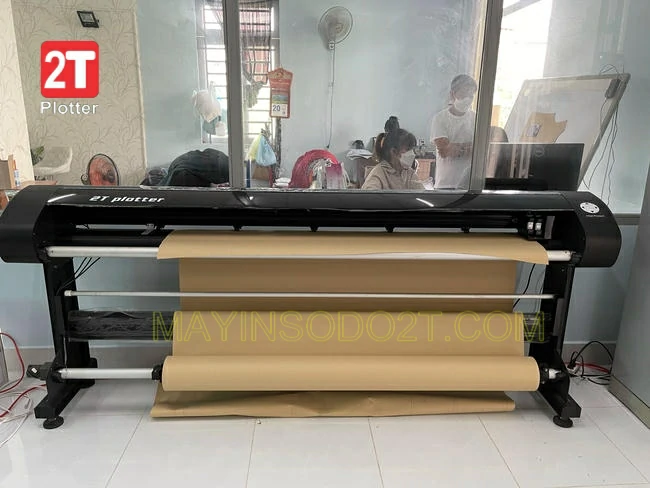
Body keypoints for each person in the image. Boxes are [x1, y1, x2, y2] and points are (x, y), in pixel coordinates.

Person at [430, 74, 478, 190]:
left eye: (471, 95)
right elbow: (444, 150)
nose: (467, 98)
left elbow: (480, 149)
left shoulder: (477, 118)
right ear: (453, 94)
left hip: (469, 185)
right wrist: (469, 147)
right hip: (445, 185)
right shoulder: (440, 118)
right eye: (464, 93)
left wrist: (457, 147)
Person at [362, 117, 424, 191]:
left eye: (412, 149)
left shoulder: (409, 173)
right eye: (408, 149)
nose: (412, 154)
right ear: (394, 151)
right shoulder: (378, 173)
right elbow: (369, 196)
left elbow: (421, 193)